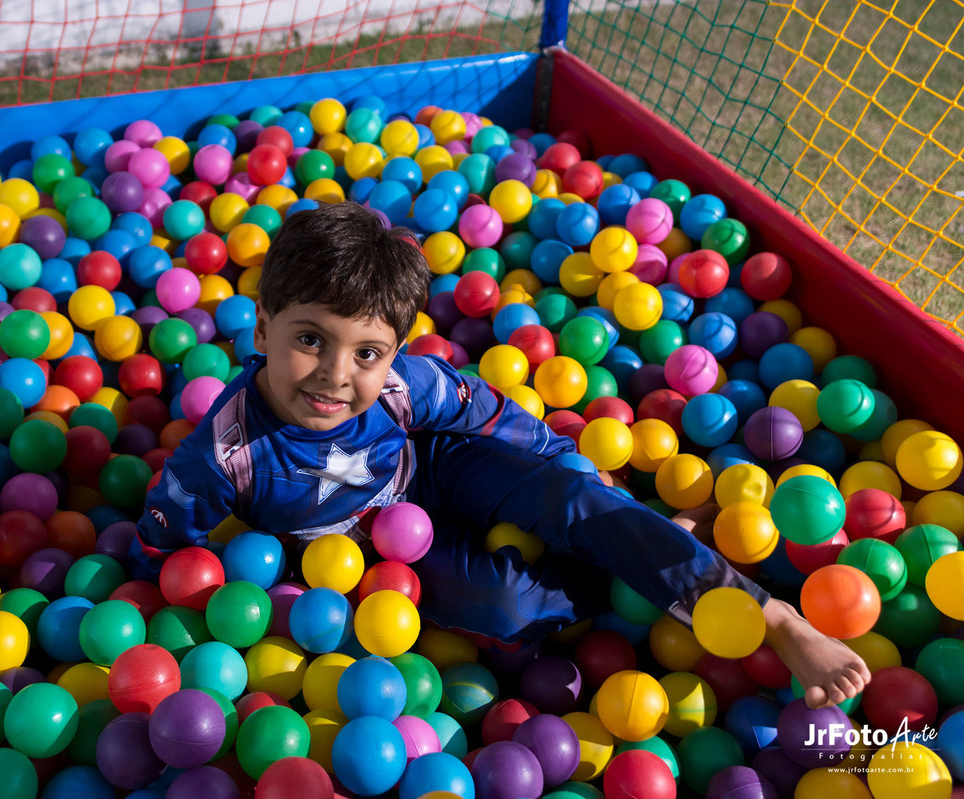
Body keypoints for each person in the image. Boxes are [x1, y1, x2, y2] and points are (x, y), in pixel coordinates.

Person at [136, 201, 870, 709]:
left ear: (392, 352)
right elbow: (166, 541)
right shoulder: (224, 454)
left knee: (574, 496)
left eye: (366, 352)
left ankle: (774, 617)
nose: (335, 373)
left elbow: (491, 413)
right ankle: (644, 553)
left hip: (438, 467)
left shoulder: (402, 388)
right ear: (261, 329)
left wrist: (569, 476)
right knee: (508, 604)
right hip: (358, 551)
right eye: (309, 340)